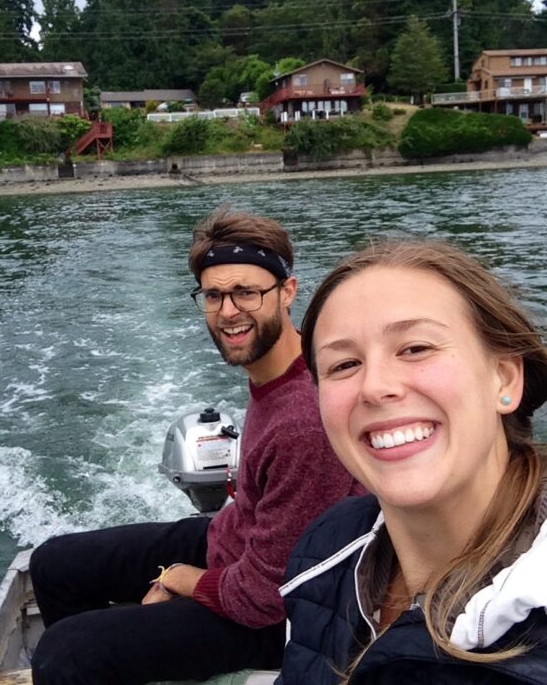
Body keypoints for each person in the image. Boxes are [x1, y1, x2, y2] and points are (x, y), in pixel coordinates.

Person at [30, 207, 365, 685]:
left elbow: (266, 596)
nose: (228, 312)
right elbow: (256, 513)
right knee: (54, 563)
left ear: (288, 291)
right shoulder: (280, 371)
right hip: (238, 545)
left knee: (65, 654)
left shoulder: (304, 420)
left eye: (247, 292)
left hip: (285, 616)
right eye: (214, 295)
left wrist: (181, 579)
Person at [277, 239, 547, 685]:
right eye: (343, 364)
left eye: (416, 348)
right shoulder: (324, 550)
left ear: (505, 377)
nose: (375, 386)